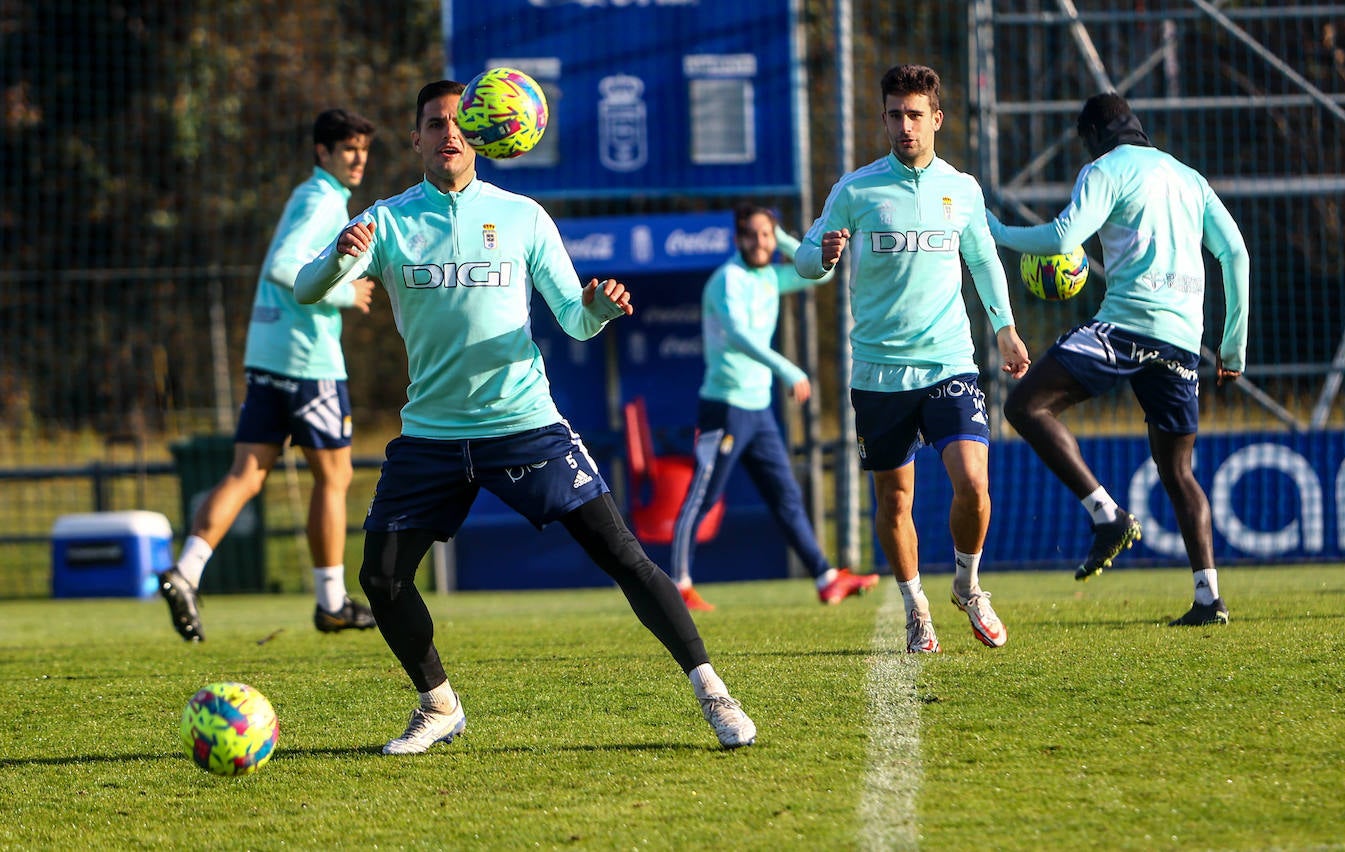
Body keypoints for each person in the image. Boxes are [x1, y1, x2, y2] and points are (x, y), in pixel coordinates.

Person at [293, 80, 756, 754]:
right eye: (434, 124)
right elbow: (307, 289)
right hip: (433, 436)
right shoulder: (386, 222)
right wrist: (340, 254)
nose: (448, 134)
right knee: (382, 578)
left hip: (524, 425)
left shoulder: (523, 217)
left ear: (481, 135)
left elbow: (574, 317)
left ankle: (714, 693)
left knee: (623, 556)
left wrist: (599, 307)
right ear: (416, 138)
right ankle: (439, 705)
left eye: (459, 122)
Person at [988, 92, 1250, 627]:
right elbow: (1235, 252)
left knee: (1026, 407)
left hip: (1127, 328)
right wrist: (1233, 347)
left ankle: (1107, 516)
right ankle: (1209, 600)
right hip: (1182, 338)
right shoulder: (1189, 178)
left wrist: (998, 231)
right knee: (1179, 471)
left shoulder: (1104, 170)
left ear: (1092, 135)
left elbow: (1063, 237)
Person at [795, 64, 1030, 653]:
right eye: (896, 115)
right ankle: (915, 606)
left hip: (949, 361)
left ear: (937, 119)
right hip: (878, 372)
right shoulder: (856, 189)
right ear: (883, 119)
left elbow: (984, 261)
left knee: (973, 483)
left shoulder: (962, 189)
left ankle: (968, 586)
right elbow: (804, 257)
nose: (906, 126)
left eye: (916, 115)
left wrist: (1005, 330)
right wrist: (822, 255)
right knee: (895, 500)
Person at [158, 108, 379, 642]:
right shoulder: (322, 199)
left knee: (248, 473)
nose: (358, 159)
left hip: (268, 354)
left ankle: (186, 571)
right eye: (348, 149)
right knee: (334, 477)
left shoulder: (312, 196)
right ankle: (331, 602)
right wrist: (346, 293)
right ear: (322, 152)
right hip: (307, 361)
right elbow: (283, 265)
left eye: (363, 149)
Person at [671, 203, 877, 612]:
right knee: (702, 498)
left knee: (786, 496)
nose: (759, 242)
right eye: (751, 235)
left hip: (759, 411)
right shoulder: (728, 279)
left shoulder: (769, 276)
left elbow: (822, 272)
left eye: (766, 234)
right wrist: (788, 369)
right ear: (737, 239)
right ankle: (678, 585)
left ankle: (825, 578)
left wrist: (781, 236)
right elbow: (739, 335)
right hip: (725, 407)